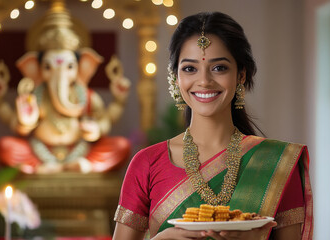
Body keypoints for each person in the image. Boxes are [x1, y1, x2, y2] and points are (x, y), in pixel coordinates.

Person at [112, 12, 313, 240]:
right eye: (189, 68)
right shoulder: (146, 164)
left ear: (241, 75)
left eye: (219, 68)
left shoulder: (276, 162)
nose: (204, 81)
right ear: (175, 78)